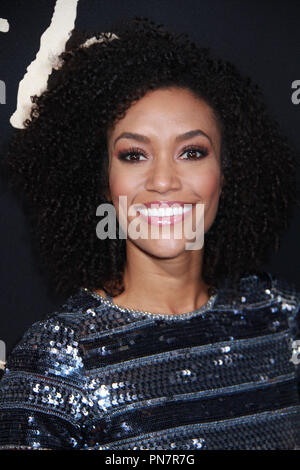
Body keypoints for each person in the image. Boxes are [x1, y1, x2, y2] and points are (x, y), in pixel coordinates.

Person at [0, 17, 299, 450]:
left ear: (228, 173)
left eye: (192, 152)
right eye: (134, 154)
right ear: (102, 181)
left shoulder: (282, 317)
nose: (163, 180)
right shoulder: (54, 361)